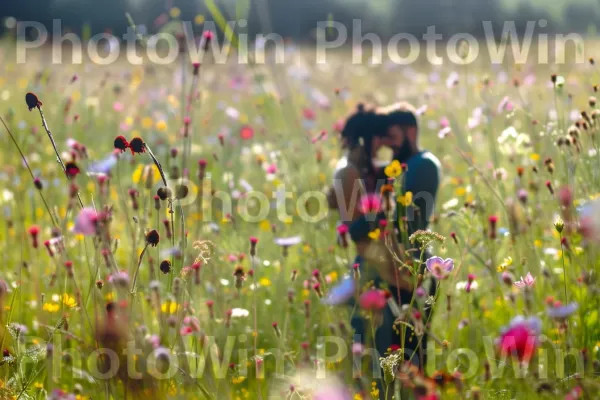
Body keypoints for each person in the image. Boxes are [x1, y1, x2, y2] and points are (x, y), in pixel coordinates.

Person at [328, 102, 442, 371]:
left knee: (406, 352)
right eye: (379, 138)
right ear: (365, 139)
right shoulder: (348, 172)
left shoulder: (379, 168)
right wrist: (382, 210)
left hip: (398, 271)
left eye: (388, 137)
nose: (384, 145)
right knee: (380, 356)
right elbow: (355, 227)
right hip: (380, 272)